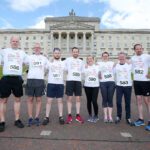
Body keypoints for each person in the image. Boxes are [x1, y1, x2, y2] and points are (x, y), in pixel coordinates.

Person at [0, 36, 27, 132]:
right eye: (13, 41)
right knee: (3, 100)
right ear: (10, 42)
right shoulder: (4, 51)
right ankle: (2, 121)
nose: (15, 42)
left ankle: (17, 119)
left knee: (17, 99)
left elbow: (28, 62)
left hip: (17, 78)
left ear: (19, 43)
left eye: (16, 41)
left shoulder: (22, 53)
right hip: (6, 78)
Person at [25, 43, 48, 126]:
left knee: (39, 100)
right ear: (33, 49)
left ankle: (37, 117)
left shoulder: (44, 58)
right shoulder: (29, 57)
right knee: (30, 99)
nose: (37, 49)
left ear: (40, 49)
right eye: (36, 47)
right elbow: (23, 63)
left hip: (40, 80)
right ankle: (30, 117)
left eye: (38, 47)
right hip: (30, 79)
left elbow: (48, 67)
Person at [42, 48, 65, 125]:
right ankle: (46, 117)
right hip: (51, 83)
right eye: (55, 53)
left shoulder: (63, 63)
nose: (57, 54)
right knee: (49, 101)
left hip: (60, 84)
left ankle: (61, 116)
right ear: (53, 54)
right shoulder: (49, 63)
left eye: (58, 53)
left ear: (60, 54)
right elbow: (44, 69)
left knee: (60, 101)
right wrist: (46, 57)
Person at [131, 44, 150, 131]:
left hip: (145, 81)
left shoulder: (146, 56)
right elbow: (132, 68)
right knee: (139, 100)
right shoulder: (133, 58)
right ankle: (141, 119)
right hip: (136, 81)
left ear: (142, 49)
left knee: (147, 101)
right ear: (134, 50)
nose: (139, 50)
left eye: (140, 49)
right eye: (137, 49)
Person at [65, 47, 84, 124]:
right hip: (70, 80)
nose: (75, 53)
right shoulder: (68, 60)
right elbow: (63, 68)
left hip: (78, 81)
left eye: (77, 52)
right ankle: (69, 115)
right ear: (72, 52)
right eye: (74, 52)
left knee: (78, 98)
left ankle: (78, 115)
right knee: (69, 98)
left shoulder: (81, 61)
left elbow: (83, 71)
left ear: (78, 53)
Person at [114, 52, 133, 125]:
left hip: (128, 86)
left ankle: (128, 117)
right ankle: (119, 116)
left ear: (125, 57)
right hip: (119, 86)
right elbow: (111, 73)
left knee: (127, 102)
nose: (121, 58)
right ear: (118, 58)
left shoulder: (130, 65)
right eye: (120, 57)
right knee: (118, 102)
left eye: (123, 57)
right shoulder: (116, 65)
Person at [97, 52, 115, 123]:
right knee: (104, 99)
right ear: (102, 57)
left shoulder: (112, 63)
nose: (105, 57)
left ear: (108, 57)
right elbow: (93, 67)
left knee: (110, 99)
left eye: (106, 56)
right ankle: (105, 116)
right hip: (103, 83)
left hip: (111, 82)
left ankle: (110, 116)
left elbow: (121, 63)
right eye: (104, 56)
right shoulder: (99, 63)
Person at [83, 55, 99, 123]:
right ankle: (90, 115)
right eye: (88, 59)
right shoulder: (84, 67)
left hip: (95, 86)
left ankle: (96, 115)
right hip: (87, 86)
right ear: (87, 60)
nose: (89, 60)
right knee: (89, 101)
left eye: (91, 58)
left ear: (93, 59)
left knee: (94, 101)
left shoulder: (97, 66)